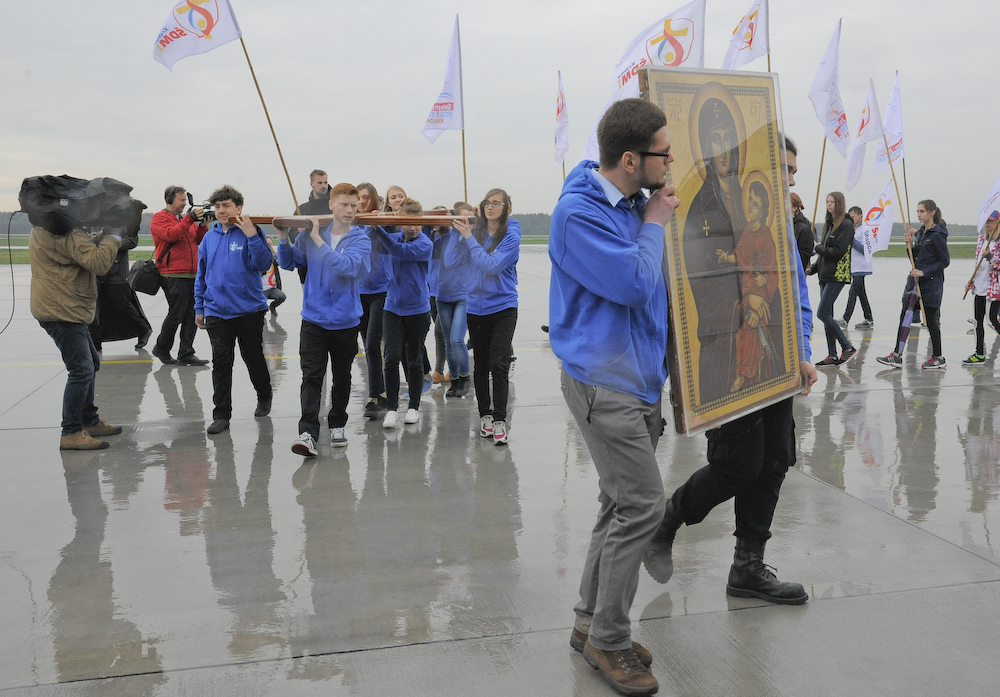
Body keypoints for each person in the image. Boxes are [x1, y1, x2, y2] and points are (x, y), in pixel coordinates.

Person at [650, 135, 817, 609]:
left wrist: (801, 351)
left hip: (777, 358)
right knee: (737, 464)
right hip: (727, 351)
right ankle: (668, 519)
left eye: (792, 171)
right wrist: (743, 303)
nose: (789, 179)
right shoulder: (700, 209)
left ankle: (747, 568)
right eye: (783, 168)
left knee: (776, 460)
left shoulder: (775, 219)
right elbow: (693, 285)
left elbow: (796, 294)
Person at [548, 97, 678, 696]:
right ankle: (610, 638)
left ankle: (587, 622)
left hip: (639, 378)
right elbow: (632, 282)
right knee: (645, 506)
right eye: (662, 153)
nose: (670, 162)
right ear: (630, 158)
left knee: (617, 503)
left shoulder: (628, 200)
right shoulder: (580, 213)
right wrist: (654, 223)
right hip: (605, 383)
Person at [278, 183, 372, 456]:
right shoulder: (310, 235)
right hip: (314, 320)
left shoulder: (360, 239)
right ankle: (307, 432)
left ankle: (337, 424)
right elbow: (290, 262)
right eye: (344, 204)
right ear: (331, 205)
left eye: (354, 206)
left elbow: (347, 267)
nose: (350, 210)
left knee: (342, 377)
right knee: (312, 377)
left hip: (345, 321)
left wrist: (318, 239)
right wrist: (284, 239)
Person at [30, 210, 128, 450]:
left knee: (91, 363)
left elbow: (78, 252)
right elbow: (99, 262)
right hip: (62, 310)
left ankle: (89, 420)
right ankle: (71, 431)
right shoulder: (65, 232)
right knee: (81, 370)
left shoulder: (46, 229)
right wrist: (113, 235)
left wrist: (96, 236)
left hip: (62, 306)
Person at [194, 186, 275, 434]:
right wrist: (199, 306)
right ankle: (221, 415)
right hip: (217, 311)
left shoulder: (251, 232)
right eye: (217, 206)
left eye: (226, 205)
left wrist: (251, 234)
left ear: (238, 208)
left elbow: (263, 264)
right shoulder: (209, 237)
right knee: (221, 362)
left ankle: (264, 394)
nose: (221, 210)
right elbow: (202, 274)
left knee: (253, 357)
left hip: (249, 310)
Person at [683, 96, 746, 404]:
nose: (723, 149)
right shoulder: (699, 207)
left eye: (728, 140)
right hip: (721, 334)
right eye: (715, 141)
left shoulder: (746, 199)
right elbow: (699, 279)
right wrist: (734, 307)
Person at [450, 189, 520, 446]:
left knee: (498, 364)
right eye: (487, 202)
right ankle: (485, 417)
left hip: (503, 307)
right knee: (479, 366)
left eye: (497, 203)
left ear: (507, 208)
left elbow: (491, 266)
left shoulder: (511, 236)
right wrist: (453, 236)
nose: (491, 207)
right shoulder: (474, 232)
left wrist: (468, 238)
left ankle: (500, 420)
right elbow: (451, 261)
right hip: (476, 308)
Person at [371, 199, 433, 428]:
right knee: (391, 357)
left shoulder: (424, 243)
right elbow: (376, 242)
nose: (413, 227)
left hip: (418, 310)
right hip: (393, 307)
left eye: (417, 223)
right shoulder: (394, 236)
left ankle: (414, 407)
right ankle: (392, 408)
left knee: (414, 360)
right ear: (399, 220)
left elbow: (398, 250)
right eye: (407, 222)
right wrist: (373, 222)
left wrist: (378, 229)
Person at [716, 180, 781, 391]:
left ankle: (748, 374)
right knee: (744, 333)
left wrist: (765, 281)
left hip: (762, 294)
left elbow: (774, 269)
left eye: (755, 204)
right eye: (749, 202)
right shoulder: (745, 233)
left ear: (763, 211)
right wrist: (727, 257)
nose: (750, 207)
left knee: (752, 330)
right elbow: (740, 254)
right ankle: (745, 373)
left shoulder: (766, 237)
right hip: (747, 290)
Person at [877, 199, 950, 370]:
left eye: (922, 211)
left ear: (932, 212)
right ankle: (897, 354)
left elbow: (944, 261)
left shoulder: (937, 235)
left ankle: (938, 356)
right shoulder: (922, 233)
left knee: (931, 320)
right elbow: (915, 259)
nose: (919, 214)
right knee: (905, 317)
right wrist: (909, 245)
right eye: (918, 211)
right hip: (914, 283)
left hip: (930, 284)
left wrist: (925, 272)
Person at [150, 185, 210, 366]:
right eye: (181, 200)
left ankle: (186, 352)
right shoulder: (159, 218)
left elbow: (198, 240)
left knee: (192, 314)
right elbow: (172, 235)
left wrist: (202, 225)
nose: (185, 204)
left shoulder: (184, 220)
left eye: (185, 200)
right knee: (176, 313)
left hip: (191, 273)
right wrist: (190, 219)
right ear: (170, 200)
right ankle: (162, 348)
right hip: (172, 273)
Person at [87, 200, 152, 352]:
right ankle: (95, 341)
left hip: (117, 271)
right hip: (97, 269)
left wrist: (114, 243)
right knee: (96, 308)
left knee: (123, 305)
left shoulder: (122, 218)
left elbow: (133, 241)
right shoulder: (93, 218)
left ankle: (142, 329)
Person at [809, 192, 856, 366]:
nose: (829, 205)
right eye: (827, 201)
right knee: (827, 313)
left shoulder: (846, 225)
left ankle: (847, 346)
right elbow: (824, 254)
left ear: (839, 204)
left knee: (822, 312)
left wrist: (818, 247)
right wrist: (812, 268)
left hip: (838, 274)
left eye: (832, 202)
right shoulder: (830, 224)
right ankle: (832, 354)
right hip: (824, 274)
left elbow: (837, 252)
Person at [357, 182, 391, 420]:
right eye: (357, 198)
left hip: (381, 289)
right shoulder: (351, 224)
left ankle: (372, 397)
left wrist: (377, 224)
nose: (361, 202)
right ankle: (380, 391)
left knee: (372, 343)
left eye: (365, 198)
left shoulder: (383, 222)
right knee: (368, 347)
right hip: (358, 291)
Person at [439, 202, 475, 398]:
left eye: (470, 220)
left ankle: (464, 378)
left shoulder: (473, 240)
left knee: (456, 339)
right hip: (443, 295)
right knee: (448, 342)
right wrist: (450, 230)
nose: (466, 224)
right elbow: (444, 258)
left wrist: (463, 234)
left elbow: (452, 261)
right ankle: (453, 380)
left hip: (463, 296)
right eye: (462, 220)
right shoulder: (447, 238)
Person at [963, 211, 1000, 365]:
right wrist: (972, 280)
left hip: (993, 288)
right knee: (978, 322)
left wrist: (990, 256)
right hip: (979, 286)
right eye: (986, 221)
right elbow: (978, 264)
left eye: (991, 221)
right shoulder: (981, 240)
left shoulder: (998, 242)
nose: (988, 224)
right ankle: (979, 353)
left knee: (992, 320)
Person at [290, 169, 332, 284]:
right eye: (320, 183)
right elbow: (292, 236)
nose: (323, 186)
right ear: (311, 183)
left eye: (325, 182)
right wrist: (300, 233)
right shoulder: (302, 210)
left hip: (330, 268)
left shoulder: (334, 207)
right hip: (307, 270)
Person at [841, 205, 875, 329]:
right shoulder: (854, 228)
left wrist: (851, 240)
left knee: (853, 291)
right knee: (861, 292)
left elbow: (864, 249)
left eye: (853, 217)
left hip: (862, 266)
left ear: (860, 216)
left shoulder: (866, 229)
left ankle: (845, 319)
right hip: (855, 266)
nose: (851, 219)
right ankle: (869, 318)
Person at [261, 237, 286, 315]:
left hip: (272, 288)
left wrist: (272, 250)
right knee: (261, 309)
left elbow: (282, 261)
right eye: (268, 244)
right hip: (262, 289)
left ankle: (272, 306)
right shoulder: (259, 257)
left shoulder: (272, 258)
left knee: (282, 297)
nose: (270, 245)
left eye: (271, 244)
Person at [790, 192, 813, 272]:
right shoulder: (780, 227)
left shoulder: (804, 229)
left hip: (795, 272)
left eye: (785, 204)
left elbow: (804, 256)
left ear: (794, 208)